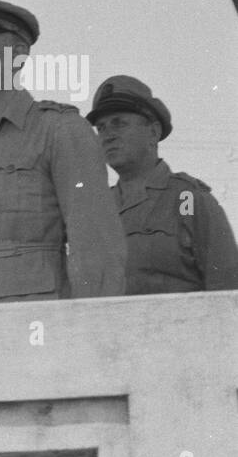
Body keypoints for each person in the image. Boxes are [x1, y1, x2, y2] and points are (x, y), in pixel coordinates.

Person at [0, 0, 125, 305]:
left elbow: (96, 246)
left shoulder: (60, 130)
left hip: (33, 323)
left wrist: (92, 331)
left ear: (19, 52)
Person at [87, 75, 238, 294]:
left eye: (119, 123)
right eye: (101, 128)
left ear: (153, 132)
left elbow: (228, 288)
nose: (107, 135)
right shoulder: (98, 208)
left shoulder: (187, 199)